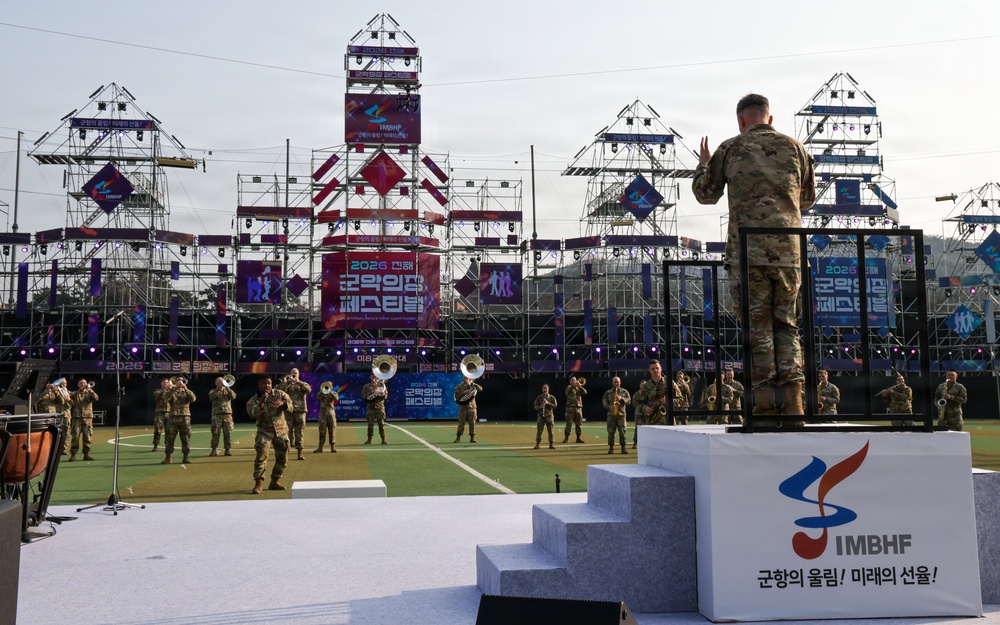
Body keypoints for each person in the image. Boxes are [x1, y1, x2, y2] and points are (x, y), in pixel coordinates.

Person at [693, 93, 816, 423]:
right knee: (787, 327)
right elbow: (806, 200)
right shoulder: (797, 149)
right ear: (770, 119)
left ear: (741, 121)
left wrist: (704, 165)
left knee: (757, 331)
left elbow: (706, 194)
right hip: (789, 255)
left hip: (748, 256)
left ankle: (762, 408)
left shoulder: (730, 147)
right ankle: (795, 407)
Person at [247, 377, 292, 493]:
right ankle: (259, 483)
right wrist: (262, 402)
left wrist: (284, 404)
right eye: (264, 383)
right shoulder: (254, 400)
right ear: (259, 385)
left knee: (283, 458)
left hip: (281, 431)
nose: (267, 386)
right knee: (261, 456)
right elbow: (252, 414)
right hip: (264, 432)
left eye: (269, 383)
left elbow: (291, 407)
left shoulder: (280, 394)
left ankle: (275, 481)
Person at [278, 369, 312, 460]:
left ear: (299, 374)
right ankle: (286, 452)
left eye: (295, 374)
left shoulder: (303, 384)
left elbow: (308, 390)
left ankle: (300, 453)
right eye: (292, 374)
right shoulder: (286, 384)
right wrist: (287, 383)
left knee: (299, 432)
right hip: (289, 410)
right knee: (287, 432)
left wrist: (299, 382)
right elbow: (281, 392)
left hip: (300, 411)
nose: (294, 375)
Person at [633, 360, 668, 449]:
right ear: (649, 371)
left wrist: (668, 401)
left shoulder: (669, 383)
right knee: (654, 447)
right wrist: (645, 408)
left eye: (657, 368)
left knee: (668, 447)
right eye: (653, 369)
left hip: (668, 421)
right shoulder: (646, 386)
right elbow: (637, 402)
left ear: (661, 369)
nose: (655, 370)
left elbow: (680, 399)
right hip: (652, 420)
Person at [162, 379, 196, 465]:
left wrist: (186, 389)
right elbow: (165, 399)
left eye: (182, 381)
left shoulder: (187, 391)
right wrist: (174, 388)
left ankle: (186, 457)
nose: (181, 383)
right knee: (170, 438)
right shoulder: (171, 391)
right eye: (179, 381)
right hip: (173, 418)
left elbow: (193, 399)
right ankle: (168, 457)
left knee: (185, 438)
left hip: (185, 418)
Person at [68, 379, 99, 461]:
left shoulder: (89, 393)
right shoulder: (75, 393)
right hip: (77, 418)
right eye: (81, 383)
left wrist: (90, 389)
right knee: (75, 437)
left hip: (87, 419)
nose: (83, 384)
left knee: (87, 437)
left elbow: (96, 398)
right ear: (78, 385)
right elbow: (69, 397)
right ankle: (73, 454)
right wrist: (80, 391)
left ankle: (86, 454)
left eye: (84, 383)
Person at [208, 377, 236, 456]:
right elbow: (212, 397)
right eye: (220, 382)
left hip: (227, 415)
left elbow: (233, 396)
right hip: (217, 416)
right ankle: (214, 450)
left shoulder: (228, 391)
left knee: (228, 433)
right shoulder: (213, 391)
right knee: (215, 433)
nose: (222, 383)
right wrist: (219, 388)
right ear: (216, 384)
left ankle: (227, 449)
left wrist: (227, 387)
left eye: (223, 382)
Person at [602, 376, 631, 455]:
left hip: (621, 415)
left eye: (617, 382)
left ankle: (623, 448)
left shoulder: (624, 392)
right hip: (611, 415)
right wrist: (609, 407)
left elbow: (629, 401)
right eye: (615, 382)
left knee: (622, 432)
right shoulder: (608, 392)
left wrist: (622, 399)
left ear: (620, 382)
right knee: (611, 432)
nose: (616, 384)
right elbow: (604, 401)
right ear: (612, 383)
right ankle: (611, 448)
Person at [453, 376, 482, 443]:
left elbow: (480, 389)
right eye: (465, 377)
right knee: (461, 423)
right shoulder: (459, 387)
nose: (466, 378)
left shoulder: (473, 386)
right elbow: (456, 396)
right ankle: (458, 437)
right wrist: (463, 392)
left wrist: (472, 383)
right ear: (463, 378)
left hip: (472, 407)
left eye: (468, 377)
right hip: (463, 407)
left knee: (472, 423)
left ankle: (472, 437)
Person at [361, 374, 388, 444]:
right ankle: (369, 440)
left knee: (381, 424)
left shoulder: (382, 386)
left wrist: (383, 394)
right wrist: (372, 393)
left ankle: (383, 439)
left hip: (380, 407)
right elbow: (364, 397)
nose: (374, 378)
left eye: (375, 377)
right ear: (370, 377)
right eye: (372, 377)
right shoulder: (366, 386)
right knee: (370, 425)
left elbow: (386, 396)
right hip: (371, 408)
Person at [561, 376, 587, 444]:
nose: (574, 381)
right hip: (570, 408)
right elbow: (567, 392)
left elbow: (585, 392)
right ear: (570, 382)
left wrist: (580, 386)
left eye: (575, 380)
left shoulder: (579, 388)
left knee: (579, 424)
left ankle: (578, 438)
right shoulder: (569, 387)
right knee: (569, 423)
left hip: (578, 408)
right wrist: (574, 386)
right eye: (572, 380)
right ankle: (566, 438)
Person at [314, 383, 339, 453]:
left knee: (332, 431)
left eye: (329, 386)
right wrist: (322, 391)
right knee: (322, 431)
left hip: (331, 414)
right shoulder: (322, 393)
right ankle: (320, 447)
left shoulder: (333, 393)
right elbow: (317, 397)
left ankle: (333, 447)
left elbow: (337, 398)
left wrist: (330, 391)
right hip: (323, 414)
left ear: (332, 387)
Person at [532, 384, 558, 450]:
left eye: (546, 388)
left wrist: (548, 403)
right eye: (544, 388)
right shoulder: (539, 397)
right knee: (539, 430)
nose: (545, 390)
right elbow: (535, 406)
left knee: (551, 430)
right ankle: (537, 444)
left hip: (549, 416)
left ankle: (551, 444)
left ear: (548, 389)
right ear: (542, 389)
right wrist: (540, 407)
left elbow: (555, 406)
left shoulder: (552, 397)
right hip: (541, 416)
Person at [151, 379, 172, 452]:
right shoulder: (158, 391)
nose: (166, 384)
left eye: (167, 382)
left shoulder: (170, 392)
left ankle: (167, 445)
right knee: (157, 430)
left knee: (169, 431)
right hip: (160, 413)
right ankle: (155, 445)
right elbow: (159, 396)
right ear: (161, 384)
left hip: (169, 413)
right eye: (164, 382)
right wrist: (166, 389)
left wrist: (172, 389)